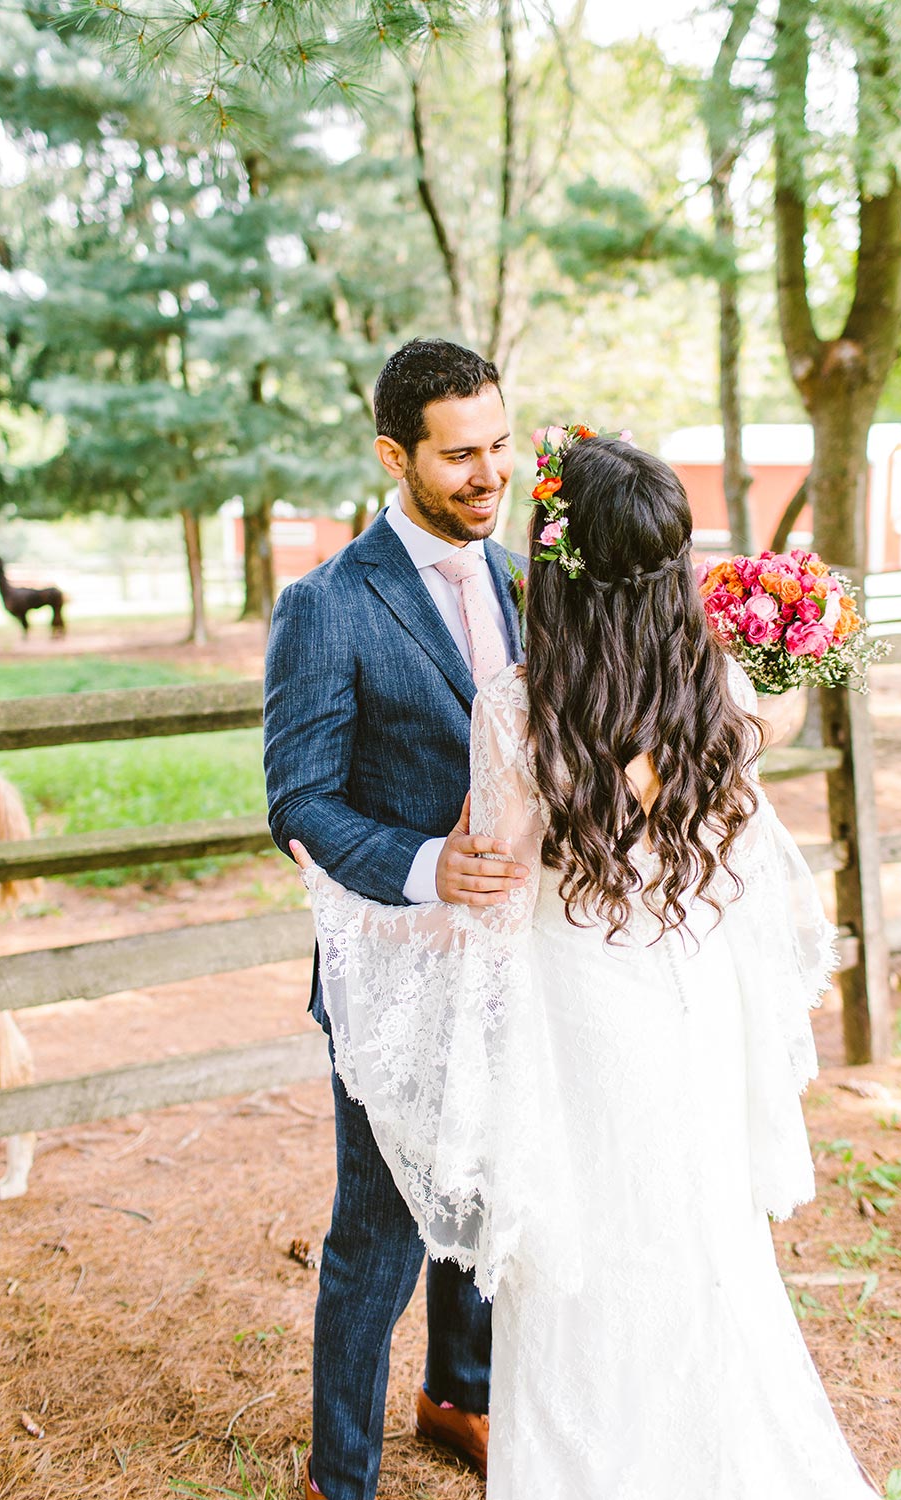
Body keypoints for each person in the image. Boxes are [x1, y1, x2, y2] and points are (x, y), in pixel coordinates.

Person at [291, 430, 882, 1499]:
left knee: (580, 1274)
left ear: (555, 571)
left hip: (579, 1028)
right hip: (691, 1004)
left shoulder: (518, 712)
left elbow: (495, 900)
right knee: (699, 1247)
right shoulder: (721, 691)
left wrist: (382, 923)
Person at [264, 339, 530, 1500]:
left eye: (500, 446)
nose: (489, 474)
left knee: (478, 1188)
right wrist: (425, 866)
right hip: (390, 970)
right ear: (394, 455)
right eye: (460, 456)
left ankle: (456, 1395)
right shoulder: (326, 603)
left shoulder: (520, 578)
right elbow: (300, 799)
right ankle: (341, 1473)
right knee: (376, 1232)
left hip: (510, 962)